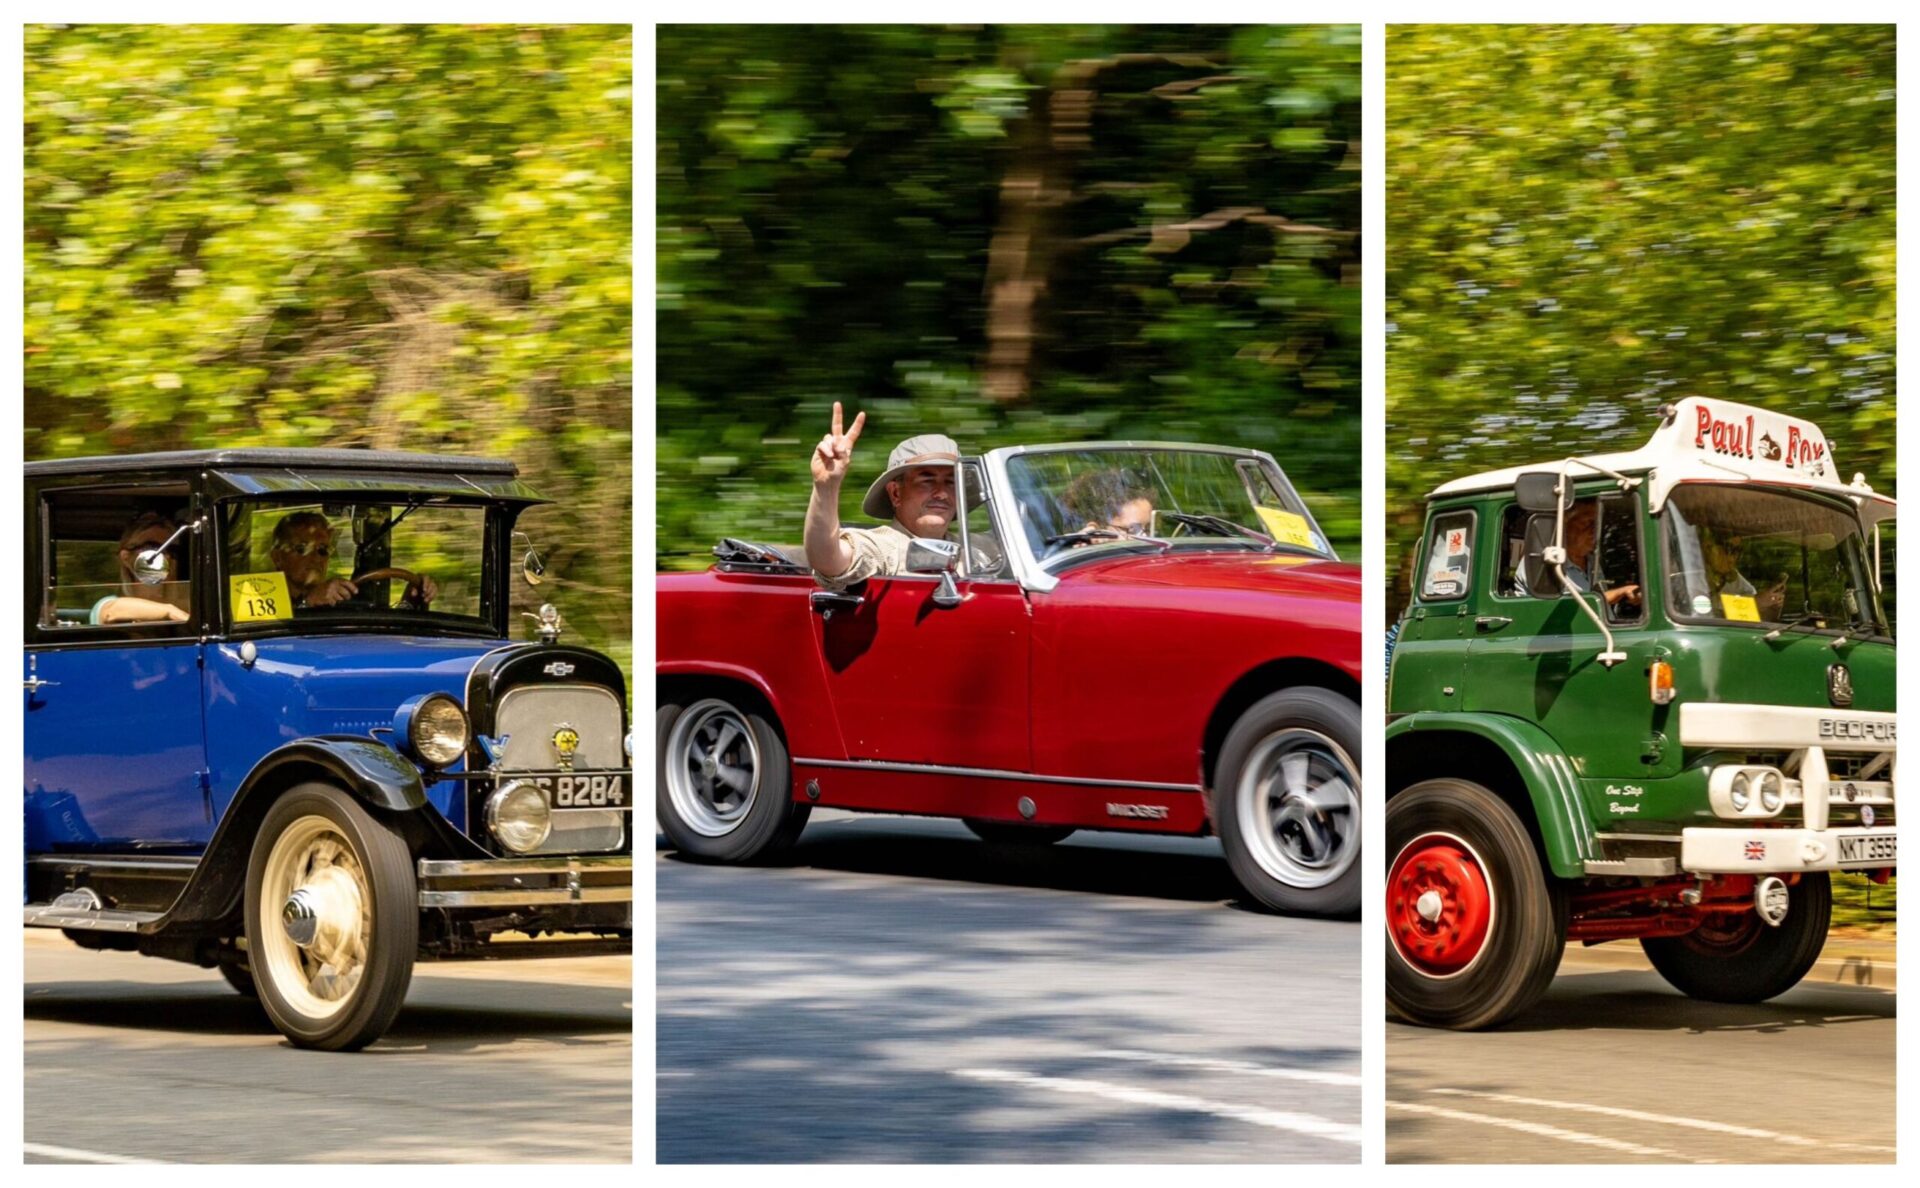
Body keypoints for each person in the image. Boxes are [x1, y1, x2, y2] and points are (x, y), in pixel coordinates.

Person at [805, 402, 966, 590]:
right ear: (896, 493)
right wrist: (826, 486)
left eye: (951, 481)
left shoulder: (977, 550)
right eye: (927, 480)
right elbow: (827, 560)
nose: (942, 493)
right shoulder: (884, 546)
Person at [271, 510, 438, 609]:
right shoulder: (261, 599)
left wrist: (413, 599)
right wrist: (307, 603)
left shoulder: (344, 604)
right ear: (278, 557)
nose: (315, 557)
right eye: (302, 548)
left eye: (323, 550)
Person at [90, 512, 190, 624]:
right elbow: (109, 611)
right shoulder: (112, 604)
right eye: (153, 547)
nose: (166, 556)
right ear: (126, 558)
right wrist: (169, 611)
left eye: (172, 550)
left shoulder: (190, 604)